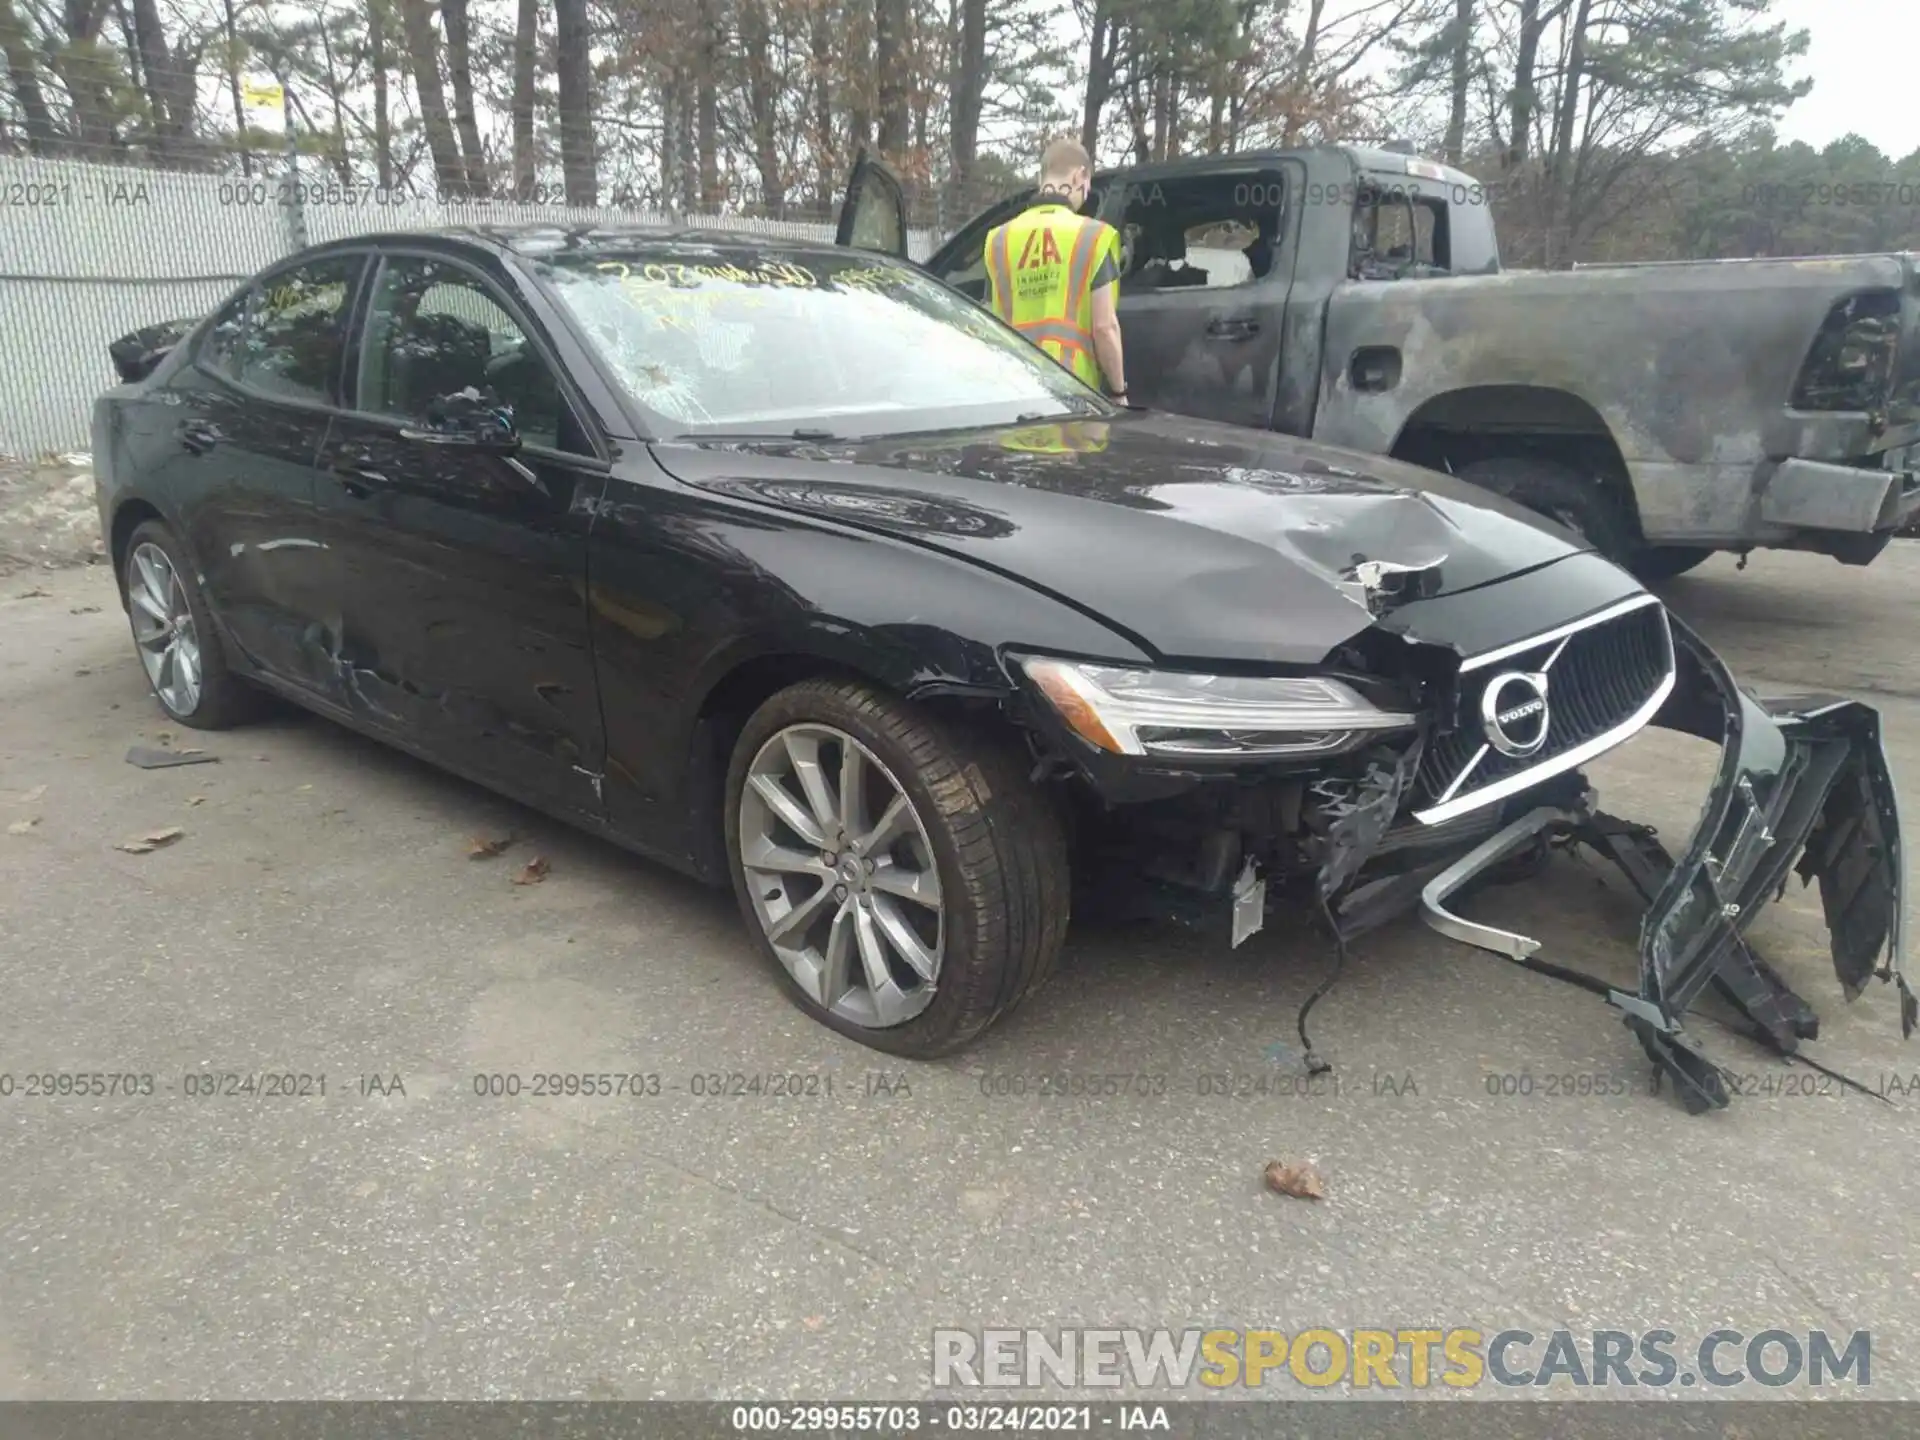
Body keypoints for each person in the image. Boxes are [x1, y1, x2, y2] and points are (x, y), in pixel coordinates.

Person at [983, 138, 1129, 404]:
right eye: (1087, 186)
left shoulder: (998, 239)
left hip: (1012, 391)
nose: (1086, 193)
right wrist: (1119, 392)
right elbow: (1104, 327)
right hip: (1072, 392)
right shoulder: (1093, 237)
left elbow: (987, 320)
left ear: (1041, 177)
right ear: (1080, 176)